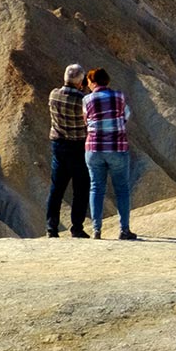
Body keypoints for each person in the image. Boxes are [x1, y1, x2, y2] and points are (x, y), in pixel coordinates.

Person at [82, 67, 139, 241]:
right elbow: (127, 115)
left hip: (94, 148)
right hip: (117, 147)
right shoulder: (119, 97)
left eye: (89, 83)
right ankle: (124, 230)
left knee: (96, 188)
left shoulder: (87, 99)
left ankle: (96, 230)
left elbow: (86, 121)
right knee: (122, 189)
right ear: (107, 81)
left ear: (93, 82)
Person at [45, 63, 91, 238]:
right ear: (81, 82)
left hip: (58, 145)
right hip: (78, 146)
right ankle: (77, 227)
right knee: (80, 188)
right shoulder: (83, 100)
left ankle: (51, 228)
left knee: (56, 188)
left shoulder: (54, 95)